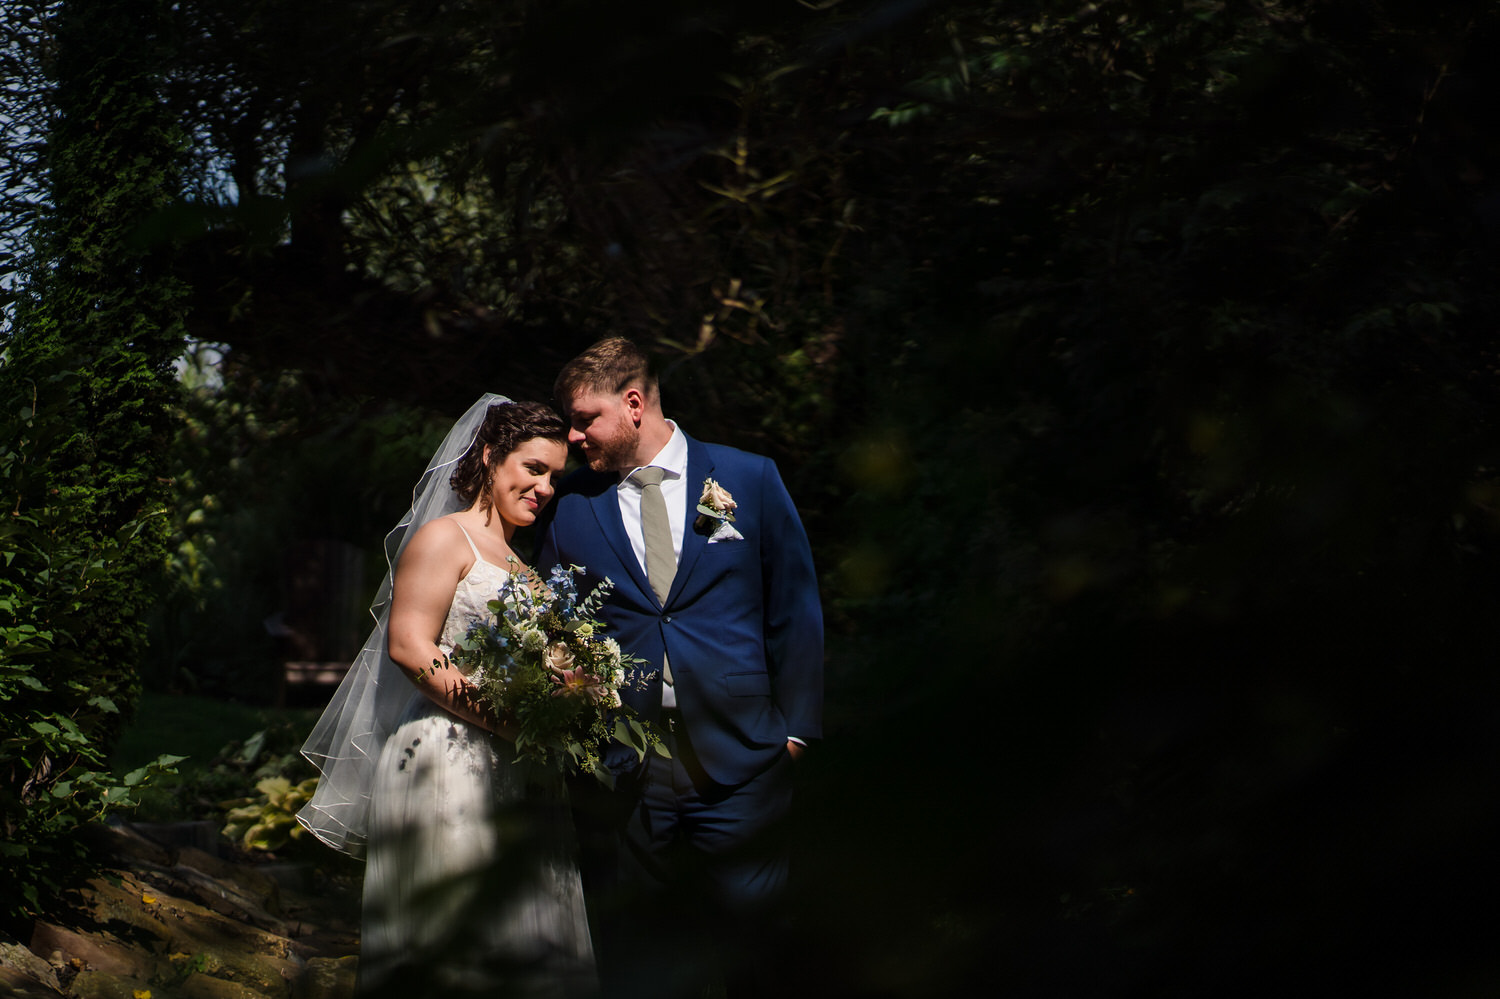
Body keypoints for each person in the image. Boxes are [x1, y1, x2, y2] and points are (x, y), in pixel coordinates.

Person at [537, 339, 824, 999]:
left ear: (634, 404)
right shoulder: (570, 505)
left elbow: (796, 609)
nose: (573, 436)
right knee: (639, 965)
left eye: (585, 418)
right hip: (625, 773)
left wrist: (797, 730)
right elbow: (554, 624)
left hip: (744, 757)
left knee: (759, 957)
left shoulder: (747, 478)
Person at [297, 396, 597, 999]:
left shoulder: (524, 566)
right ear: (489, 457)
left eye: (554, 479)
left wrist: (572, 692)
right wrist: (505, 718)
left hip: (519, 769)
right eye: (533, 469)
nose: (543, 489)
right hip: (446, 756)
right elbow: (411, 647)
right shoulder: (443, 537)